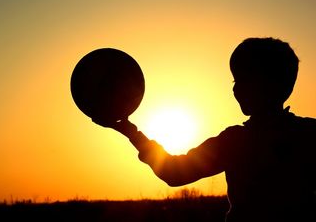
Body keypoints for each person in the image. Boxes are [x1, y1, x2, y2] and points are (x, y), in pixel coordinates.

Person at [93, 37, 316, 222]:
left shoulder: (235, 141)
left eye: (245, 79)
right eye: (235, 80)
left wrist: (132, 134)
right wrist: (131, 133)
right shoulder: (308, 133)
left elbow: (174, 172)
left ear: (275, 84)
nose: (237, 88)